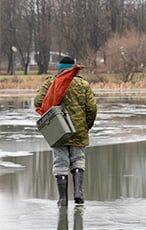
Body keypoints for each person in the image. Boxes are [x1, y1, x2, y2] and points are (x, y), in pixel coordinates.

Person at [34, 56, 97, 207]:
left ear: (59, 68)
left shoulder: (51, 82)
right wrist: (87, 125)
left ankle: (62, 199)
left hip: (57, 129)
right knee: (78, 160)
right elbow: (92, 108)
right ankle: (78, 193)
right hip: (78, 130)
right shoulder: (83, 84)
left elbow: (38, 102)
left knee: (60, 163)